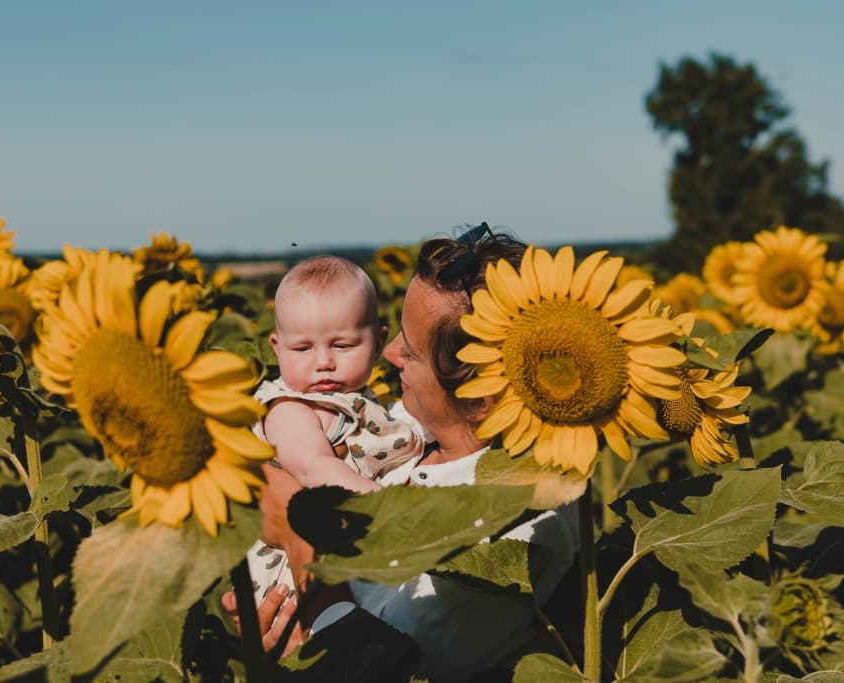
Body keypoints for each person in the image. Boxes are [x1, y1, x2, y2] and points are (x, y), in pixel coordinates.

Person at [223, 226, 579, 681]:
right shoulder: (417, 428)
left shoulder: (517, 531)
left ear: (479, 396)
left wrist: (298, 545)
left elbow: (378, 665)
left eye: (410, 352)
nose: (388, 353)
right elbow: (276, 463)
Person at [246, 255, 425, 600]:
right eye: (302, 348)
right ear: (276, 347)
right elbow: (314, 467)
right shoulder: (289, 408)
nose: (324, 362)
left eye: (342, 345)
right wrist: (387, 507)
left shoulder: (357, 400)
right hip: (298, 574)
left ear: (377, 341)